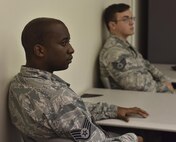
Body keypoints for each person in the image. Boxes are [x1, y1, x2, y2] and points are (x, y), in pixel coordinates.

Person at [8, 17, 149, 142]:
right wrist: (134, 138)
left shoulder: (19, 83)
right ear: (40, 51)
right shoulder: (58, 99)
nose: (71, 49)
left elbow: (68, 114)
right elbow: (64, 110)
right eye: (64, 43)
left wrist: (112, 110)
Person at [99, 3, 176, 95]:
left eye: (132, 18)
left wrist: (164, 80)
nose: (131, 23)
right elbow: (135, 86)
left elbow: (147, 65)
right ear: (113, 25)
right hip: (145, 100)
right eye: (125, 19)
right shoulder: (114, 52)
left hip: (154, 94)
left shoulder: (125, 46)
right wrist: (164, 87)